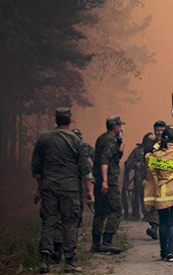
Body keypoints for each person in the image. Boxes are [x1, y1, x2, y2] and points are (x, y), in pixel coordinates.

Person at [31, 107, 94, 274]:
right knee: (69, 224)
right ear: (70, 120)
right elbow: (85, 169)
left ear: (56, 120)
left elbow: (36, 167)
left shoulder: (44, 139)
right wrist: (90, 191)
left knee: (49, 222)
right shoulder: (75, 140)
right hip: (70, 188)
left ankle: (45, 259)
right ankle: (70, 262)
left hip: (49, 186)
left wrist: (40, 188)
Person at [143, 126, 173, 262]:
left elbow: (146, 156)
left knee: (163, 223)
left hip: (162, 194)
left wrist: (158, 144)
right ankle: (171, 253)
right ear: (172, 139)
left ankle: (163, 252)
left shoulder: (155, 156)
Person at [91, 116, 125, 254]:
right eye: (119, 126)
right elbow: (104, 160)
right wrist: (105, 181)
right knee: (116, 210)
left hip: (98, 179)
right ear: (115, 126)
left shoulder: (102, 138)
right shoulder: (110, 141)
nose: (121, 128)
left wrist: (119, 142)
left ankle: (95, 244)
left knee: (101, 211)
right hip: (108, 180)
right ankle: (107, 241)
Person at [143, 120, 166, 240]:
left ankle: (163, 230)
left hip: (166, 179)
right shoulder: (149, 144)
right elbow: (146, 159)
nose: (159, 133)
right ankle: (155, 228)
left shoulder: (169, 144)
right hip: (152, 178)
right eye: (157, 130)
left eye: (162, 130)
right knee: (152, 205)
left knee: (164, 205)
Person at [121, 133, 151, 221]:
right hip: (140, 178)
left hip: (153, 179)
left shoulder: (157, 150)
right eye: (149, 140)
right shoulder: (138, 151)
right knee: (138, 196)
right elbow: (128, 162)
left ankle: (151, 216)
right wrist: (136, 164)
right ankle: (136, 214)